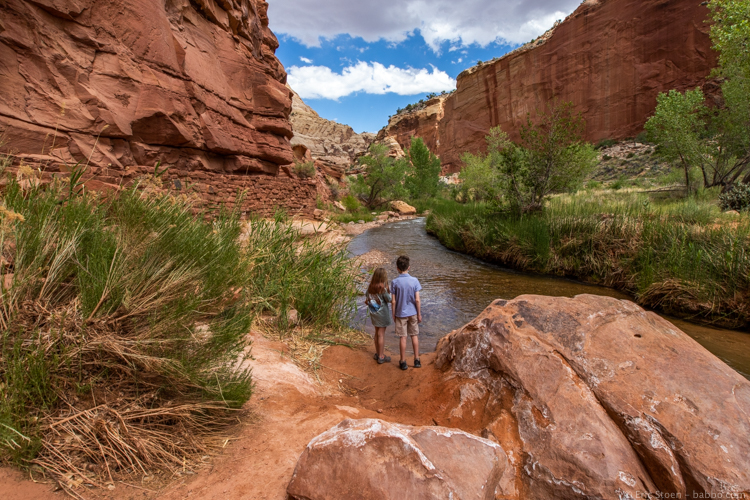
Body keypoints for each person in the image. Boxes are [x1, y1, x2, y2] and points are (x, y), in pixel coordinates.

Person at [390, 255, 422, 371]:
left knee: (403, 337)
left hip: (400, 313)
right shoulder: (414, 281)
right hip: (413, 312)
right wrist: (419, 313)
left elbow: (393, 301)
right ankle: (417, 359)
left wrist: (393, 313)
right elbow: (417, 299)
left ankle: (403, 361)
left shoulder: (394, 282)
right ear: (409, 267)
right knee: (414, 335)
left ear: (397, 268)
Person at [366, 268, 392, 364]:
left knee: (377, 333)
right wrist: (388, 291)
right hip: (382, 314)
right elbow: (389, 299)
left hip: (374, 313)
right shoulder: (383, 289)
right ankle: (381, 356)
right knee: (381, 334)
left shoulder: (370, 287)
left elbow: (367, 296)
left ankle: (377, 353)